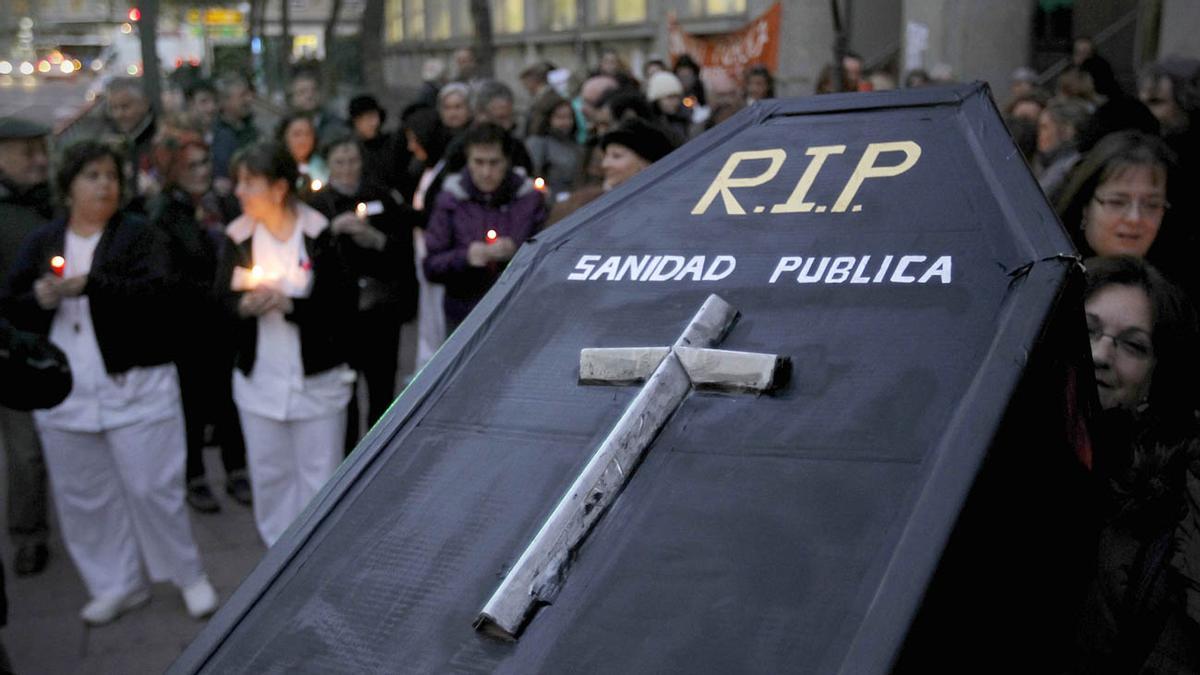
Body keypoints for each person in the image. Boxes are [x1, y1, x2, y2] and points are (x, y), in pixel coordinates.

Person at [0, 140, 218, 624]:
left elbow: (163, 294)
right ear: (69, 186)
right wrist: (40, 297)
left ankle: (188, 574)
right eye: (92, 176)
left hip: (134, 386)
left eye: (111, 177)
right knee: (84, 496)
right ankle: (116, 583)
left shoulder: (138, 235)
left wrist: (94, 285)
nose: (104, 185)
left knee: (151, 487)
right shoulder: (45, 241)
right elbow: (12, 304)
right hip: (68, 393)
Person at [218, 141, 357, 546]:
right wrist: (243, 305)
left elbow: (341, 307)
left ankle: (318, 560)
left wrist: (291, 305)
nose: (239, 192)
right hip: (259, 382)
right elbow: (217, 304)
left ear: (279, 188)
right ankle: (275, 557)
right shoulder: (237, 237)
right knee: (270, 477)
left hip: (316, 381)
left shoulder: (318, 233)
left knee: (320, 478)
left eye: (249, 183)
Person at [1074, 255, 1200, 672]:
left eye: (1132, 345)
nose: (1100, 354)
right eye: (1086, 329)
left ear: (1155, 379)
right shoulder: (979, 444)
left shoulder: (1175, 504)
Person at [148, 128, 251, 514]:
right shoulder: (165, 214)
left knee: (229, 400)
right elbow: (169, 276)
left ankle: (236, 468)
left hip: (227, 321)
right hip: (190, 327)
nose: (201, 171)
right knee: (193, 405)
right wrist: (215, 290)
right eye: (190, 166)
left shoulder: (221, 203)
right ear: (174, 171)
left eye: (205, 162)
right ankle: (194, 476)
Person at [307, 136, 417, 449]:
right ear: (328, 165)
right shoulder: (316, 205)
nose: (346, 169)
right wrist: (331, 234)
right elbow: (307, 257)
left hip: (381, 308)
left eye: (352, 161)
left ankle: (379, 449)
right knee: (345, 390)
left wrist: (374, 238)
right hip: (340, 312)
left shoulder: (381, 195)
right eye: (339, 163)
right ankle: (346, 455)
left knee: (382, 385)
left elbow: (402, 250)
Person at [424, 124, 547, 332]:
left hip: (516, 312)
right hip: (464, 315)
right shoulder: (452, 199)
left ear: (507, 161)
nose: (486, 172)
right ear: (468, 161)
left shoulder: (528, 199)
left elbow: (548, 258)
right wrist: (467, 256)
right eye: (478, 162)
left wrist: (518, 253)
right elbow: (431, 265)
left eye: (494, 163)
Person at [0, 116, 54, 577]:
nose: (39, 161)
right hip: (15, 350)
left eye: (42, 150)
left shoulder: (56, 201)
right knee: (25, 451)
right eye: (26, 152)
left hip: (64, 340)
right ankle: (29, 534)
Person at [1056, 131, 1178, 278]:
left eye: (1152, 205)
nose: (1134, 218)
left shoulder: (1178, 293)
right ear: (1085, 207)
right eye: (1117, 202)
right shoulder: (1050, 286)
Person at [348, 94, 413, 197]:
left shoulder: (394, 143)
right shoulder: (352, 150)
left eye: (373, 116)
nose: (372, 123)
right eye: (365, 119)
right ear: (355, 122)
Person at [524, 95, 583, 198]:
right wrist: (545, 193)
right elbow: (533, 175)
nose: (566, 122)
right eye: (560, 117)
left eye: (569, 117)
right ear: (548, 119)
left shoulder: (574, 144)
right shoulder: (538, 143)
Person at [211, 72, 260, 191]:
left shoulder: (250, 129)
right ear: (225, 101)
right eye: (242, 95)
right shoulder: (221, 137)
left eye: (248, 94)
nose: (249, 99)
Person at [1036, 98, 1091, 199]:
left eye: (1045, 127)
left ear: (1067, 131)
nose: (1039, 134)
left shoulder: (1068, 169)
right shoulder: (1055, 164)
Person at [288, 68, 348, 146]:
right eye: (302, 92)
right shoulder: (286, 129)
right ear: (293, 98)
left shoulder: (336, 125)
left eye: (313, 90)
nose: (309, 96)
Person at [277, 112, 328, 194]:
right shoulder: (277, 167)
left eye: (307, 134)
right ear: (284, 136)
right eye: (297, 134)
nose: (303, 140)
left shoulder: (321, 166)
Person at [645, 71, 690, 141]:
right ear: (657, 100)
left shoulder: (688, 117)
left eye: (677, 96)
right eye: (670, 97)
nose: (675, 102)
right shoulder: (652, 127)